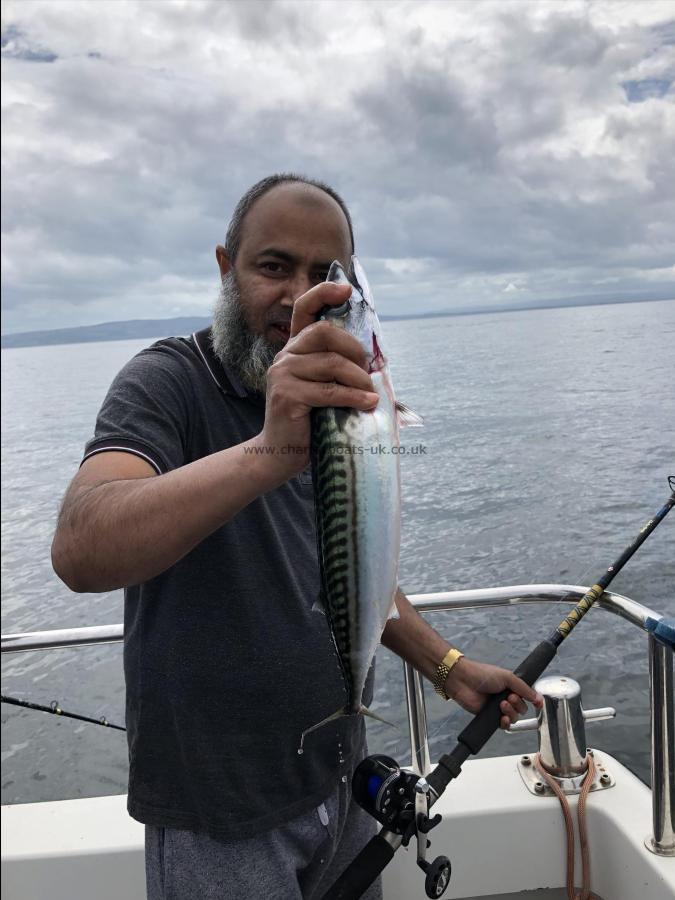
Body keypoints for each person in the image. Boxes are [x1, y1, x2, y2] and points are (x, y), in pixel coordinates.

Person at [51, 174, 542, 900]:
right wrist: (270, 450)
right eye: (274, 267)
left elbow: (350, 561)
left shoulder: (337, 399)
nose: (297, 295)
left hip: (340, 784)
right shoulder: (168, 383)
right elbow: (80, 548)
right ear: (226, 268)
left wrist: (446, 667)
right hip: (221, 813)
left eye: (324, 274)